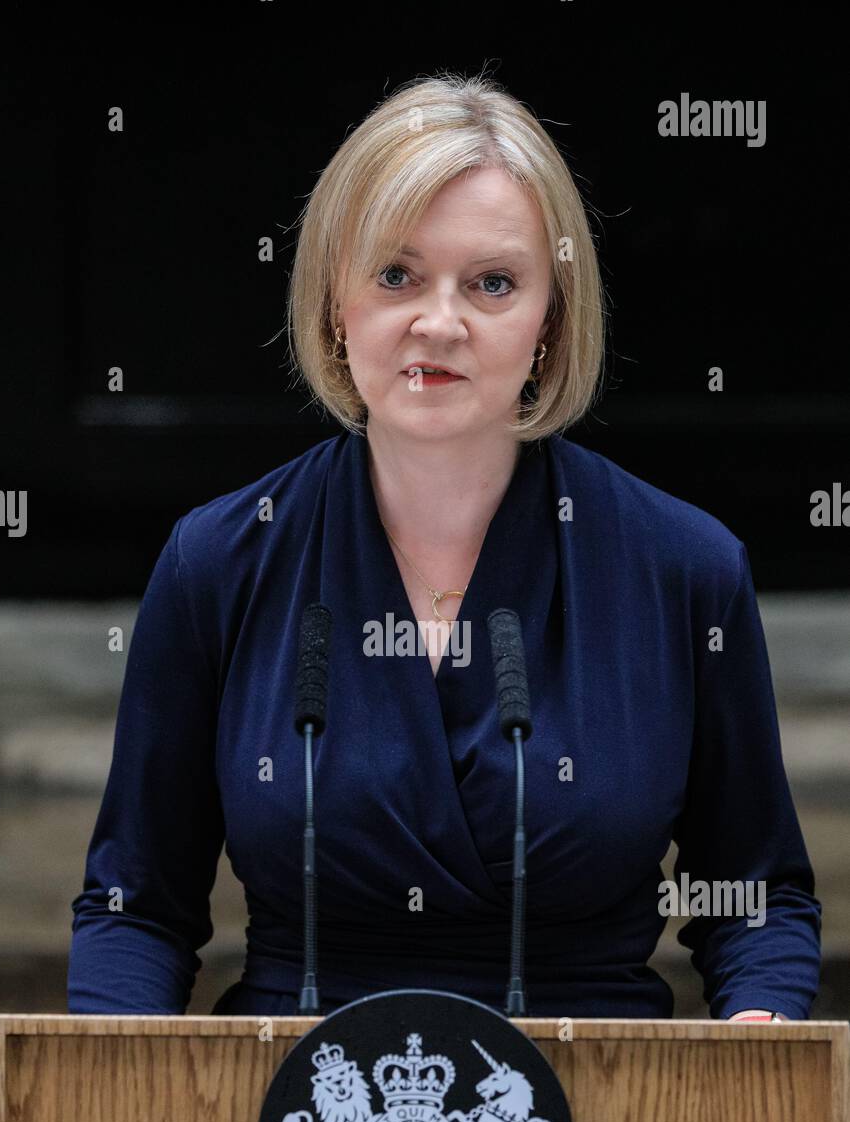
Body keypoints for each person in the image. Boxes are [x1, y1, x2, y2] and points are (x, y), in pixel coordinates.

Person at [67, 71, 820, 1024]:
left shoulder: (686, 569)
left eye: (494, 283)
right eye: (397, 275)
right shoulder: (218, 561)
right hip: (286, 1118)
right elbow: (136, 910)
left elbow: (754, 901)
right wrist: (111, 1098)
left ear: (552, 318)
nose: (439, 322)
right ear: (336, 298)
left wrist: (759, 1037)